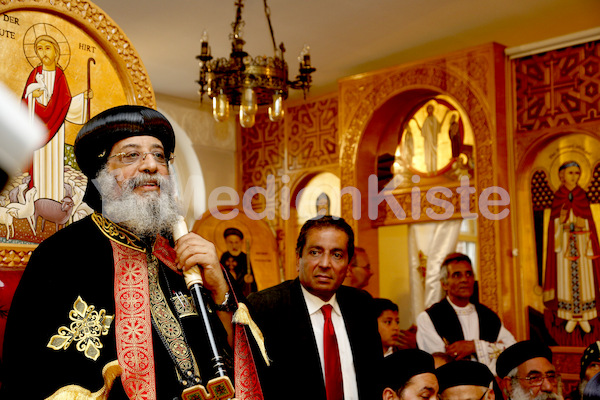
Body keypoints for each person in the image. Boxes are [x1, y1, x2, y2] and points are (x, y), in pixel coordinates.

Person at [0, 106, 254, 399]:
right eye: (132, 155)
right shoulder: (60, 257)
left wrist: (220, 288)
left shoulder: (182, 256)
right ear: (100, 174)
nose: (151, 165)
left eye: (160, 155)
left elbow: (243, 367)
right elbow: (29, 375)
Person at [247, 215, 383, 400]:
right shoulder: (266, 307)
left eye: (337, 255)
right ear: (298, 258)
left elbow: (374, 378)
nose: (325, 264)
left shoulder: (361, 305)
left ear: (348, 265)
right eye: (315, 252)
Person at [416, 252, 516, 375]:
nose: (465, 279)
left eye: (469, 274)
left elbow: (513, 351)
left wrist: (475, 347)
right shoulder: (429, 318)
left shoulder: (487, 316)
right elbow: (439, 362)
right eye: (457, 275)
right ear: (444, 284)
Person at [22, 33, 92, 201]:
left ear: (56, 52)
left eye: (48, 48)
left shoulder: (60, 76)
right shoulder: (35, 73)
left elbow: (64, 103)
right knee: (39, 161)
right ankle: (35, 196)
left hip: (56, 128)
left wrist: (83, 98)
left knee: (53, 160)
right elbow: (24, 101)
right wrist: (33, 97)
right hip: (36, 127)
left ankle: (53, 196)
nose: (44, 53)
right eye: (39, 49)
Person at [543, 160, 600, 334]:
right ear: (561, 176)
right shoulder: (557, 197)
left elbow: (589, 220)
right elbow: (554, 223)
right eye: (570, 173)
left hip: (582, 245)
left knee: (584, 280)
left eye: (577, 173)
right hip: (564, 246)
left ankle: (584, 316)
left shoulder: (582, 195)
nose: (574, 176)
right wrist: (561, 219)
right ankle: (568, 316)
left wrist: (582, 225)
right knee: (565, 280)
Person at [219, 227, 257, 296]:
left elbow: (251, 281)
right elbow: (219, 276)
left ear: (241, 242)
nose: (234, 246)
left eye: (236, 242)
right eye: (230, 242)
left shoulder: (245, 257)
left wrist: (249, 280)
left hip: (242, 292)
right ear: (226, 242)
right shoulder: (224, 256)